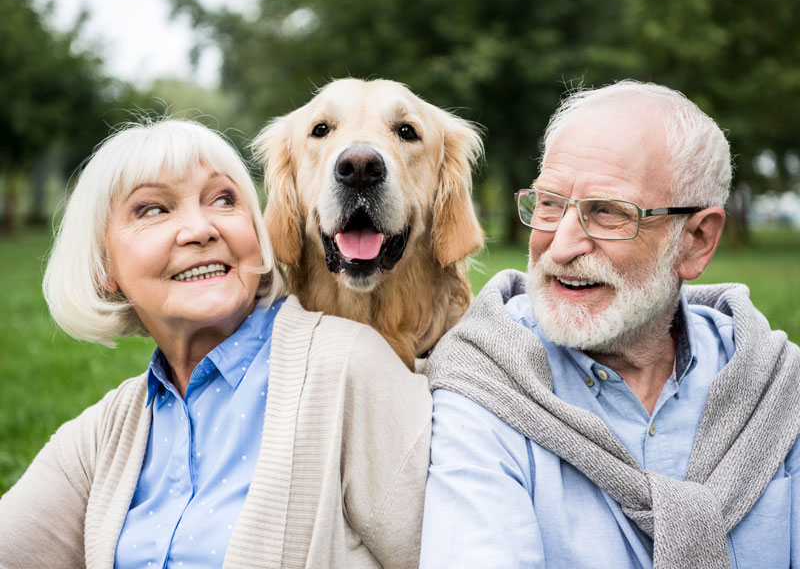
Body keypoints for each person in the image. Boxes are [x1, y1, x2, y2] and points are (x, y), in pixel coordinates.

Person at [0, 119, 431, 568]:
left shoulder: (345, 368)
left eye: (224, 199)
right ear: (102, 266)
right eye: (153, 210)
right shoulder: (106, 435)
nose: (200, 229)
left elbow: (456, 551)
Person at [419, 81, 800, 569]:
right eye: (550, 204)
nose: (559, 248)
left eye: (608, 212)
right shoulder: (484, 383)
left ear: (697, 241)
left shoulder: (775, 387)